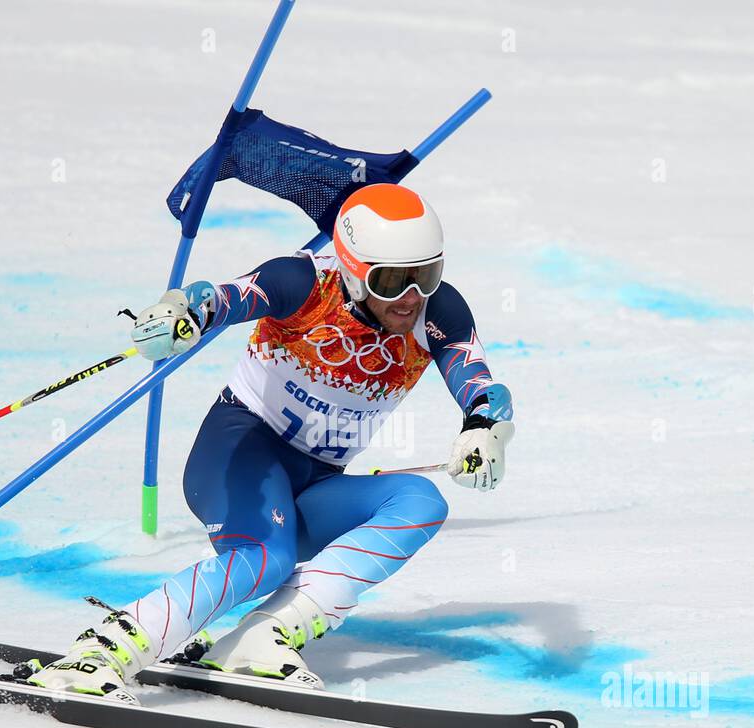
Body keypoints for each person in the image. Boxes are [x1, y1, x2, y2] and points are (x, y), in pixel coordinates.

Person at [27, 183, 514, 698]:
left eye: (427, 275)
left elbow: (482, 387)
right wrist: (181, 314)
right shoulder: (303, 282)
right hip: (241, 452)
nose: (412, 296)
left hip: (314, 485)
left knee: (420, 501)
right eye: (392, 281)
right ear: (351, 268)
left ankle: (263, 637)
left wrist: (484, 431)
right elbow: (219, 299)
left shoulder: (439, 313)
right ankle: (102, 651)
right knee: (265, 558)